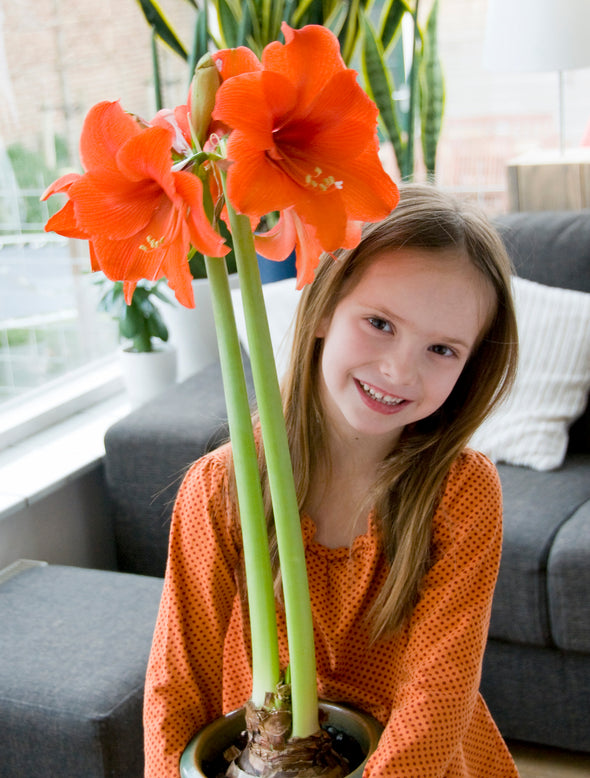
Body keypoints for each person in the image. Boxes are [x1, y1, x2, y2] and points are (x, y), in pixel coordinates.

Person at [144, 184, 521, 777]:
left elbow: (438, 695)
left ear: (471, 367)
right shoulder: (219, 488)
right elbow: (175, 688)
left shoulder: (462, 492)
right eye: (380, 322)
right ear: (322, 308)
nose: (399, 369)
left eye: (442, 349)